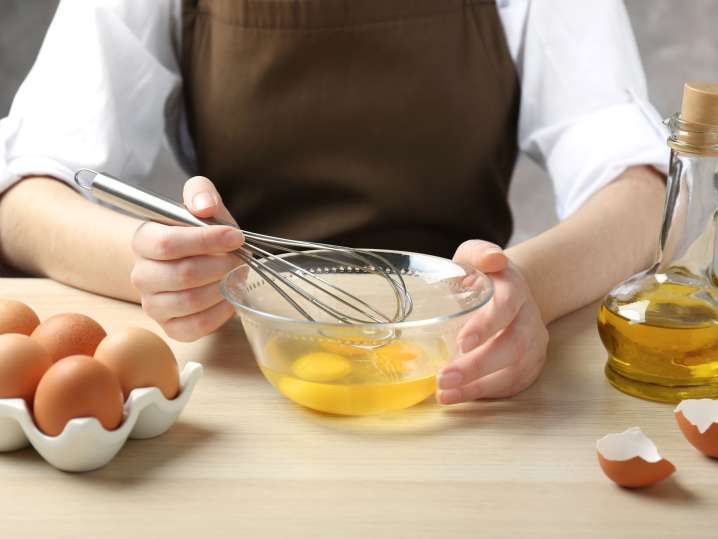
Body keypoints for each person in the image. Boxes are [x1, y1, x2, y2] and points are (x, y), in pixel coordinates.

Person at [0, 0, 668, 404]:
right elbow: (24, 197)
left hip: (455, 373)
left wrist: (522, 293)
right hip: (241, 386)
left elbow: (642, 192)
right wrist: (157, 262)